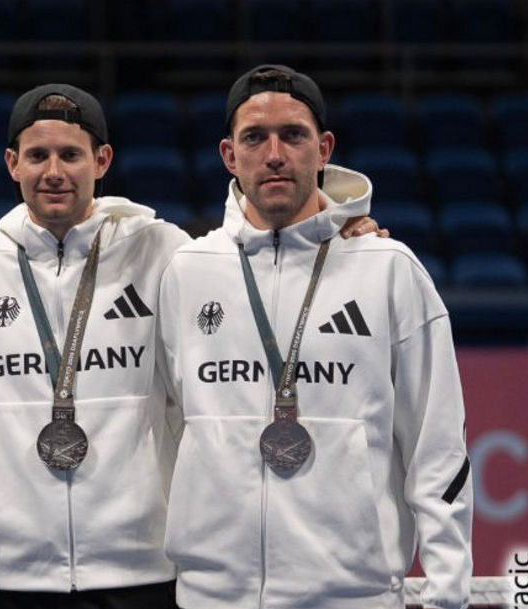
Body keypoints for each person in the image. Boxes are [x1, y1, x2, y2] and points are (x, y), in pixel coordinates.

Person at [0, 83, 385, 609]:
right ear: (13, 163)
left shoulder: (164, 251)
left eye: (71, 155)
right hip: (9, 574)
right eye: (37, 155)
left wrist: (337, 227)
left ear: (102, 160)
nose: (53, 171)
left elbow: (264, 267)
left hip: (142, 568)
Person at [156, 64, 472, 609]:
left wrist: (447, 595)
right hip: (211, 596)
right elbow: (163, 427)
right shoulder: (186, 270)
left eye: (293, 135)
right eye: (254, 137)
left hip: (354, 595)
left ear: (324, 149)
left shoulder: (388, 269)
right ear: (230, 155)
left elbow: (436, 448)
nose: (274, 153)